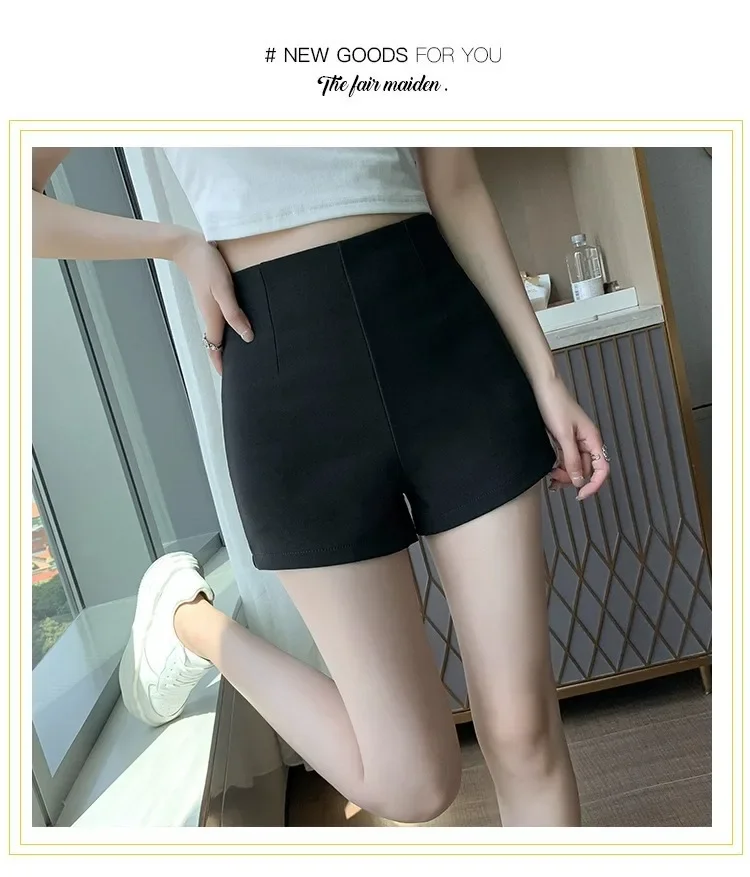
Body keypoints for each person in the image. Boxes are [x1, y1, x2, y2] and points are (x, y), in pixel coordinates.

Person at [32, 146, 610, 827]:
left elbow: (455, 185)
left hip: (448, 342)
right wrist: (176, 244)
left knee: (524, 729)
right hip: (285, 371)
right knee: (414, 781)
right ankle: (190, 622)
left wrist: (546, 376)